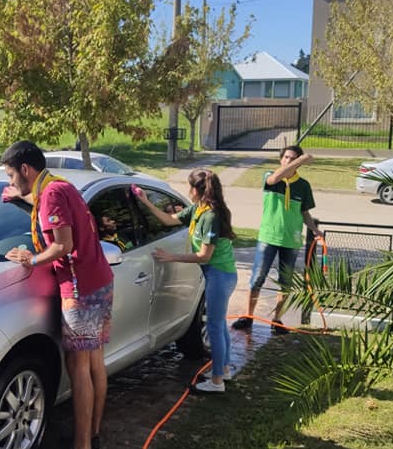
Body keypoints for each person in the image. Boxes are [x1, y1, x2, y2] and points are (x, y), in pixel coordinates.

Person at [1, 140, 113, 449]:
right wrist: (21, 198)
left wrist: (30, 258)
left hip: (79, 289)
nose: (11, 181)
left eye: (11, 175)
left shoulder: (50, 194)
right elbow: (52, 213)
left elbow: (64, 245)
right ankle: (93, 437)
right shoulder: (60, 186)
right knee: (94, 362)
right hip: (100, 281)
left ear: (25, 169)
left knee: (78, 366)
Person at [134, 170, 238, 393]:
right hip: (216, 274)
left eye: (189, 186)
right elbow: (169, 219)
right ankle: (224, 370)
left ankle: (217, 381)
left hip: (219, 274)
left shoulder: (211, 216)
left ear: (198, 190)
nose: (187, 190)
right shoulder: (198, 209)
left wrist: (172, 257)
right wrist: (145, 202)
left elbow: (204, 256)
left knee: (215, 327)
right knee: (219, 326)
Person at [235, 145, 321, 333]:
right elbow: (275, 178)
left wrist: (314, 229)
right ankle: (248, 316)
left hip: (291, 240)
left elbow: (304, 212)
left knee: (285, 282)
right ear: (281, 159)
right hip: (268, 237)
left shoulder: (303, 185)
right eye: (286, 158)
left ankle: (277, 320)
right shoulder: (269, 176)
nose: (289, 161)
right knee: (258, 278)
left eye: (293, 158)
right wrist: (301, 160)